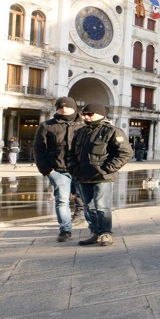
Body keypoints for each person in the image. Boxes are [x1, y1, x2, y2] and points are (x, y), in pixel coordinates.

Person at [69, 102, 132, 247]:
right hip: (83, 176)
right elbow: (71, 153)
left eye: (90, 114)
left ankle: (105, 234)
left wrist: (108, 168)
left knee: (102, 206)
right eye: (84, 114)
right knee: (88, 207)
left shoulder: (112, 131)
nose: (86, 117)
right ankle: (95, 233)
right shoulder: (80, 132)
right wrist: (73, 169)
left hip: (102, 177)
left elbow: (125, 152)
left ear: (100, 114)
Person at [33, 96, 83, 241]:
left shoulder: (84, 125)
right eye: (60, 107)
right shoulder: (46, 126)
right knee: (62, 200)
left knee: (87, 199)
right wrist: (47, 171)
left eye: (67, 106)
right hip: (58, 170)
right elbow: (38, 149)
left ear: (74, 108)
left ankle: (94, 228)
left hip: (80, 169)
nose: (64, 109)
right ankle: (65, 230)